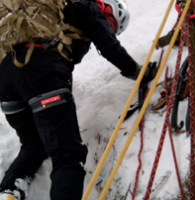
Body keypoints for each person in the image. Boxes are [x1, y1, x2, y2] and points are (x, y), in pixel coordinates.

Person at [0, 0, 157, 199]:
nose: (108, 28)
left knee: (34, 146)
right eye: (111, 24)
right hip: (39, 67)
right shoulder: (88, 8)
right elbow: (109, 46)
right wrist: (137, 71)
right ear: (107, 10)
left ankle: (9, 191)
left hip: (6, 77)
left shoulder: (61, 18)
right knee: (67, 157)